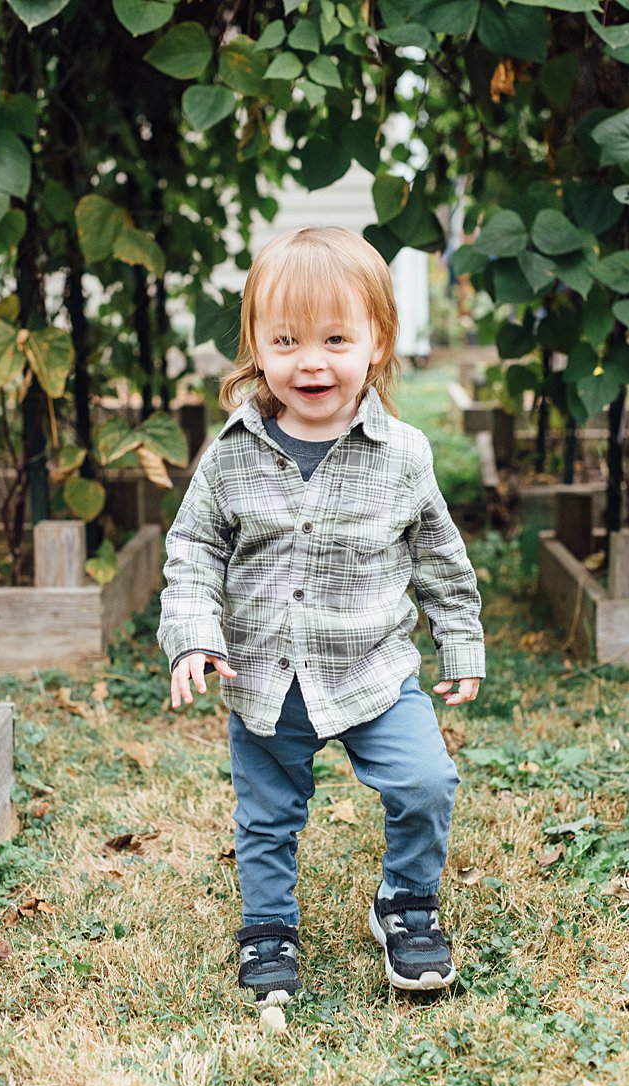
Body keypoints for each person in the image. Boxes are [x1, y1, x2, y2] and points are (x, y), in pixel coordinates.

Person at [158, 226, 485, 1002]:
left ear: (377, 342)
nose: (311, 361)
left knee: (427, 782)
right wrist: (193, 639)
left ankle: (405, 904)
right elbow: (194, 551)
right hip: (265, 678)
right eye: (287, 339)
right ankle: (268, 930)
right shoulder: (232, 454)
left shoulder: (403, 455)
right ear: (257, 348)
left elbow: (440, 556)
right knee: (267, 816)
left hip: (372, 668)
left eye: (336, 338)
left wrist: (460, 642)